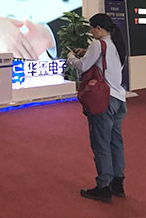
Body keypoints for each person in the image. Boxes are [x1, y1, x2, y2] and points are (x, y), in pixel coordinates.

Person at [67, 13, 128, 203]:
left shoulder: (98, 44)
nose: (91, 32)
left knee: (101, 143)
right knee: (115, 142)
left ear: (99, 29)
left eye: (92, 29)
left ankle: (103, 186)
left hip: (104, 100)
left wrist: (70, 58)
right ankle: (117, 183)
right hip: (119, 99)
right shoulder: (116, 43)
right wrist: (86, 51)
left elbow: (83, 66)